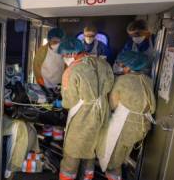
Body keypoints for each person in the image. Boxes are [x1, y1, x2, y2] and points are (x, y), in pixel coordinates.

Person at [57, 37, 114, 180]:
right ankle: (87, 177)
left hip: (83, 117)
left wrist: (60, 103)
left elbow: (69, 102)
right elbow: (110, 85)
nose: (63, 58)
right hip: (102, 112)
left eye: (64, 55)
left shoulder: (71, 71)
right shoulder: (102, 63)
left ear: (71, 54)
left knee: (73, 152)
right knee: (91, 149)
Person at [97, 51, 156, 180]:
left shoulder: (123, 80)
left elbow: (112, 104)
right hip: (142, 125)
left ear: (130, 66)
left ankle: (114, 175)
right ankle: (121, 169)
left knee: (113, 157)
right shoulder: (148, 80)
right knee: (124, 153)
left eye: (124, 66)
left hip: (125, 125)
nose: (122, 68)